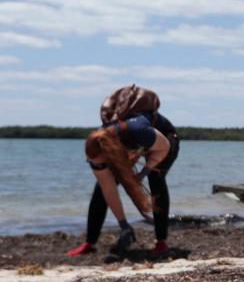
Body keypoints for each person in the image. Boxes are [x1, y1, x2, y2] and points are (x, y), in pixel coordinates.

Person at [67, 91, 180, 257]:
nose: (101, 166)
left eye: (103, 163)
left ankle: (161, 242)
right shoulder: (95, 147)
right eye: (98, 164)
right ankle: (89, 243)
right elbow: (109, 189)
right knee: (100, 190)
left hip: (164, 140)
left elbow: (163, 147)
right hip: (133, 146)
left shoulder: (137, 130)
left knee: (155, 179)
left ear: (110, 152)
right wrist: (123, 225)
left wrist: (143, 172)